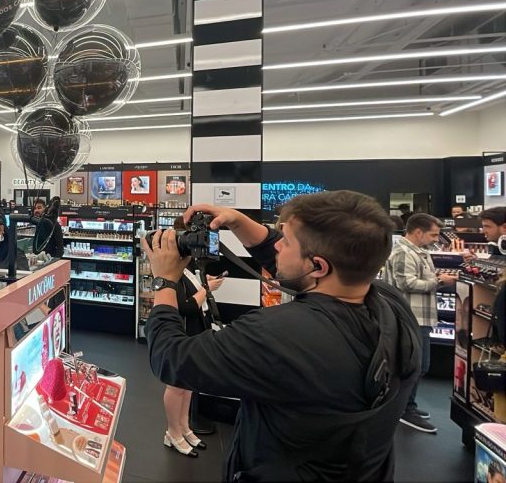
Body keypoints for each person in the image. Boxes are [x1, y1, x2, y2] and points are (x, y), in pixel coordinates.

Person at [143, 191, 420, 482]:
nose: (277, 248)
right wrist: (239, 222)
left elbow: (170, 359)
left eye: (285, 241)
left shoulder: (277, 334)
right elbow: (303, 274)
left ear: (319, 265)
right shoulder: (390, 302)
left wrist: (165, 280)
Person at [383, 213, 454, 433]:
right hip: (411, 317)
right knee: (416, 365)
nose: (436, 239)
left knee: (419, 365)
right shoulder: (404, 252)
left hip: (420, 316)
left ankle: (407, 405)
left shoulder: (418, 252)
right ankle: (404, 409)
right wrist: (440, 280)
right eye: (433, 234)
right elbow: (408, 283)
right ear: (418, 232)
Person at [161, 266, 225, 458]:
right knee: (176, 384)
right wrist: (207, 289)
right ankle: (172, 431)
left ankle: (183, 426)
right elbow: (186, 307)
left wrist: (204, 283)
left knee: (187, 383)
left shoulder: (186, 269)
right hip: (181, 334)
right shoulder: (171, 273)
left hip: (193, 332)